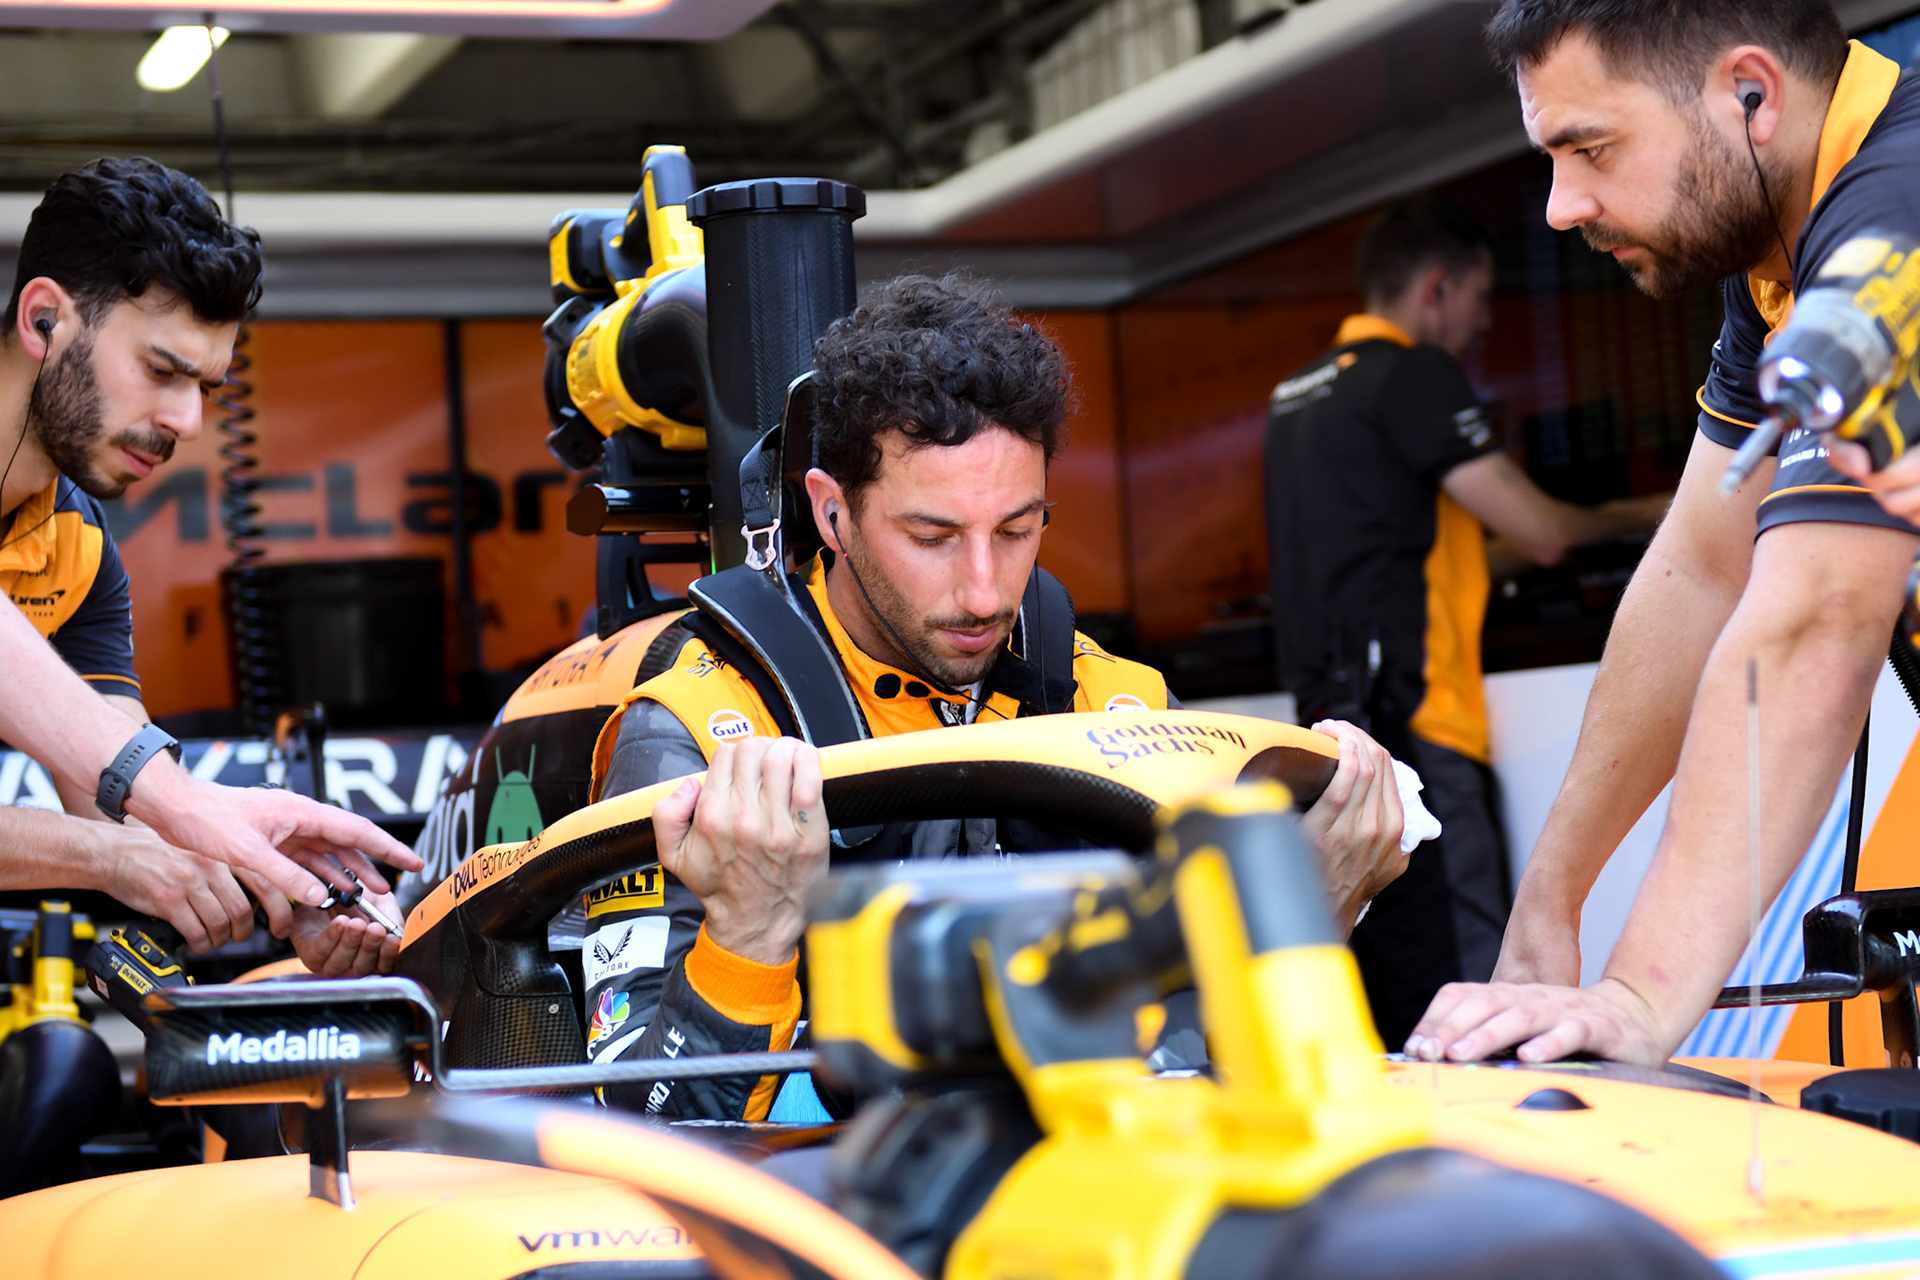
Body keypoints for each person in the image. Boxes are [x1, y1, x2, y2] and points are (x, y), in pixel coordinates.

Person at [583, 274, 1421, 1120]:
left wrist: (1305, 920)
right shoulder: (697, 735)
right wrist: (748, 941)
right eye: (933, 536)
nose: (985, 591)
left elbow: (1216, 1091)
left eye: (1018, 531)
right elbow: (637, 1135)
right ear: (832, 515)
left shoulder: (1120, 706)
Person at [1409, 0, 1920, 1066]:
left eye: (1591, 148)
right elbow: (1699, 567)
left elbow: (1814, 617)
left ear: (1752, 94)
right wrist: (1550, 902)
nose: (1560, 206)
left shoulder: (1899, 225)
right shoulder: (1784, 265)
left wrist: (1638, 1000)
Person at [1265, 195, 1667, 1044]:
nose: (1484, 326)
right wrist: (1664, 512)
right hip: (1423, 722)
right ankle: (1486, 1159)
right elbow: (1544, 532)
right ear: (1437, 289)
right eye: (1483, 301)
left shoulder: (1297, 398)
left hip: (1336, 737)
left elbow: (1431, 557)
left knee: (1380, 975)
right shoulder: (1410, 373)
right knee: (1468, 979)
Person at [0, 158, 416, 972]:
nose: (188, 422)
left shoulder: (76, 548)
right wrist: (138, 835)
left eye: (208, 388)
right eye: (161, 370)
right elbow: (141, 804)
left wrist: (281, 878)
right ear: (45, 319)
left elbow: (121, 800)